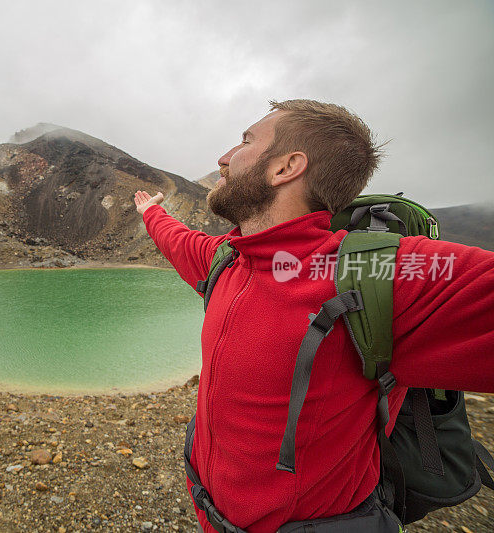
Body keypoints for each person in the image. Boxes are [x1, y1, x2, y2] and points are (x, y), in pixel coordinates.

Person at [133, 99, 494, 533]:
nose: (224, 157)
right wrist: (151, 212)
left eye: (246, 140)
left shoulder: (381, 275)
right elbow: (179, 240)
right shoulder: (228, 260)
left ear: (286, 167)